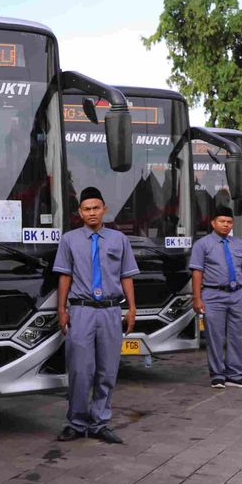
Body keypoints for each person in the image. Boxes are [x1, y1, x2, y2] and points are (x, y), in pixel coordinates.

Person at [54, 187, 139, 444]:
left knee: (107, 369)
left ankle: (100, 422)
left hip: (111, 312)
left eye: (96, 208)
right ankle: (76, 422)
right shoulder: (69, 240)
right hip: (81, 311)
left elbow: (126, 275)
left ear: (104, 209)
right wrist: (62, 309)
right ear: (80, 212)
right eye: (87, 209)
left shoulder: (119, 239)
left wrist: (132, 309)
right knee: (80, 370)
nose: (92, 213)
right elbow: (64, 275)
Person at [191, 205, 242, 388]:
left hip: (237, 295)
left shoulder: (238, 244)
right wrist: (197, 298)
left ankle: (235, 375)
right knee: (215, 336)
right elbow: (197, 272)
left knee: (238, 336)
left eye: (229, 222)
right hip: (213, 294)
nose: (226, 225)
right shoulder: (202, 244)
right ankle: (217, 375)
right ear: (213, 223)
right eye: (222, 221)